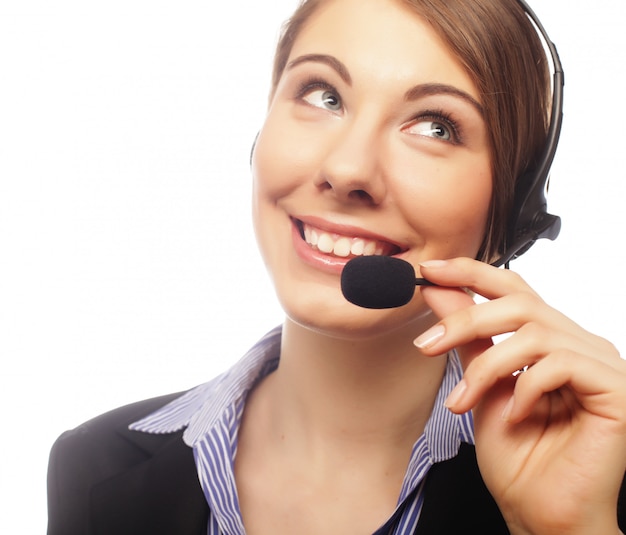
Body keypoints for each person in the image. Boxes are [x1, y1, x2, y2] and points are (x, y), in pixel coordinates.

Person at [47, 0, 626, 533]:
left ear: (512, 211)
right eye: (323, 94)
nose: (348, 169)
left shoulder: (595, 479)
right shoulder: (95, 469)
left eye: (435, 126)